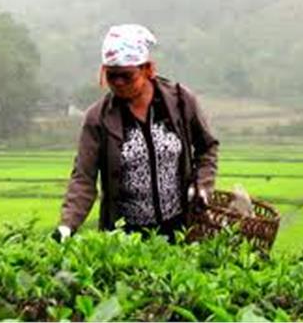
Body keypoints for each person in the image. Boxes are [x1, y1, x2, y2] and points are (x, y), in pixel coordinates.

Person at [53, 24, 218, 242]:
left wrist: (202, 185)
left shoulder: (179, 101)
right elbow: (83, 178)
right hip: (126, 235)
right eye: (112, 76)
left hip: (180, 228)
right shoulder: (98, 119)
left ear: (147, 69)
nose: (119, 83)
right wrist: (67, 225)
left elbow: (207, 147)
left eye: (127, 76)